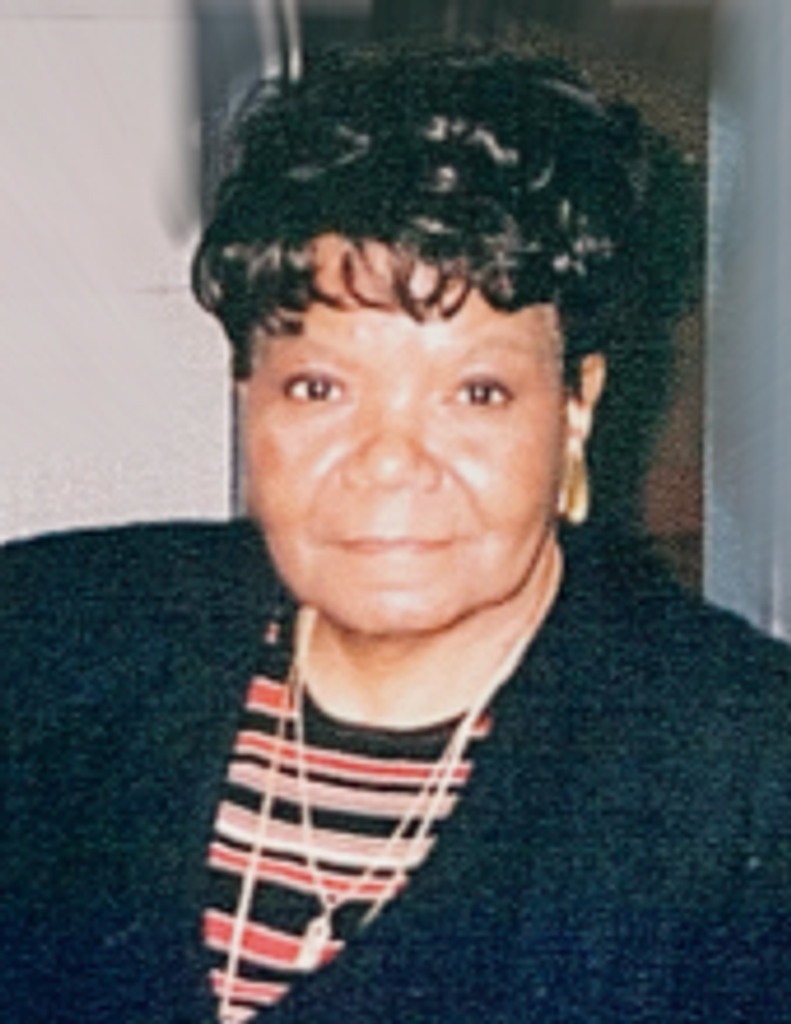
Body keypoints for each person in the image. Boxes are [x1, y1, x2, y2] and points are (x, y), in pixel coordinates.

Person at [2, 44, 790, 1024]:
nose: (387, 460)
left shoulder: (741, 777)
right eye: (320, 386)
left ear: (574, 406)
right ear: (248, 394)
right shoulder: (46, 639)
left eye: (475, 392)